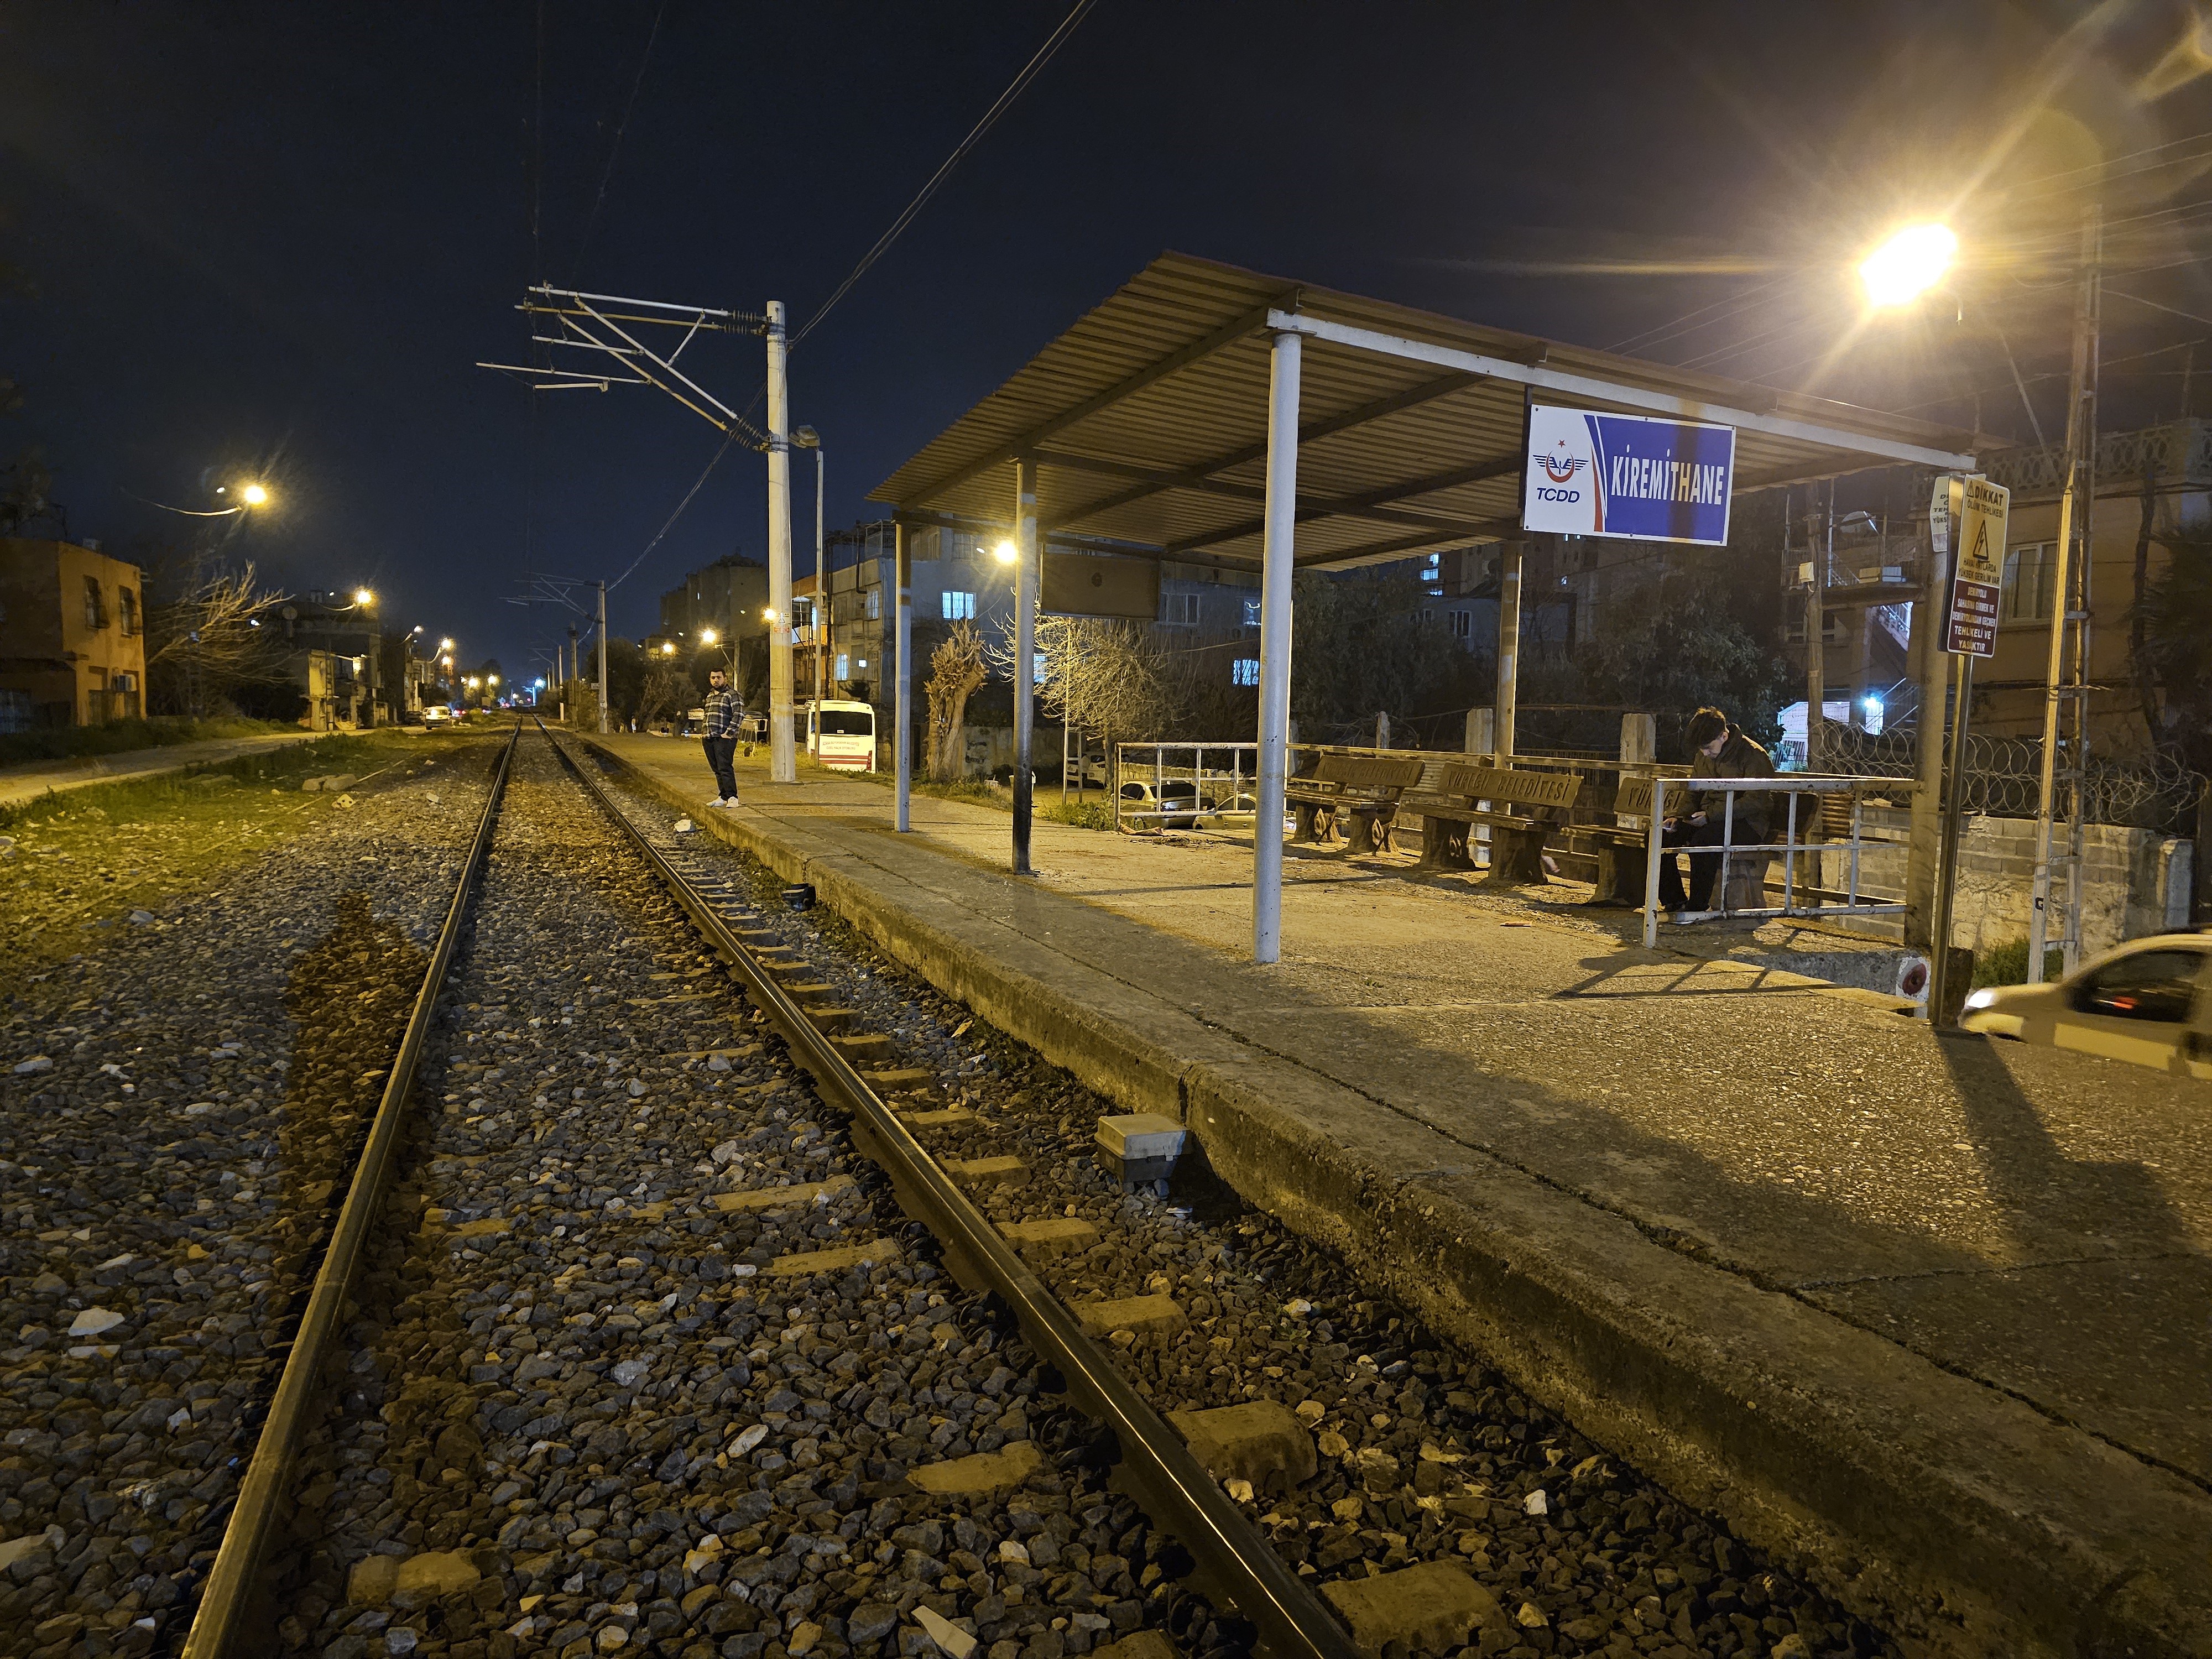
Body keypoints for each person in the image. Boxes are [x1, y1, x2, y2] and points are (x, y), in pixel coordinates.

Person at [1659, 706, 1777, 915]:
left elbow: (1758, 801)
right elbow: (1694, 790)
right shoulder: (1704, 755)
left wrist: (1712, 815)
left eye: (1708, 747)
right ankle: (1674, 901)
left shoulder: (1753, 755)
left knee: (1704, 841)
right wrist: (1679, 817)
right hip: (1710, 819)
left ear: (1724, 736)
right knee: (1657, 836)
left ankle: (1697, 906)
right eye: (1701, 748)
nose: (1705, 753)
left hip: (1747, 824)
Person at [701, 667, 743, 808]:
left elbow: (739, 715)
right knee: (717, 769)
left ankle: (732, 797)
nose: (716, 680)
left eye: (719, 677)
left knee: (725, 767)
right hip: (709, 737)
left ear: (725, 678)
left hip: (724, 738)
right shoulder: (710, 696)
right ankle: (723, 796)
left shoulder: (732, 695)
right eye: (713, 678)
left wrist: (728, 733)